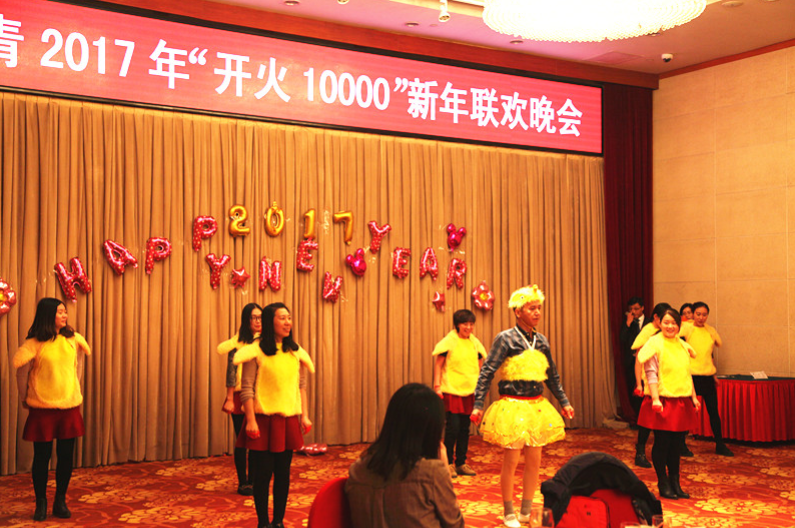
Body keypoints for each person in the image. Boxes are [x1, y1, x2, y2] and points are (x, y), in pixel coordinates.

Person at [471, 285, 574, 528]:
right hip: (512, 405)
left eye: (539, 308)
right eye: (531, 308)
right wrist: (478, 404)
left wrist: (564, 401)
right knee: (512, 460)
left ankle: (526, 510)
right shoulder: (505, 338)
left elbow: (552, 376)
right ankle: (509, 511)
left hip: (536, 406)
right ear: (518, 312)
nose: (537, 312)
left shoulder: (542, 340)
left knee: (535, 460)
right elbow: (487, 371)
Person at [234, 302, 314, 528]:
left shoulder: (294, 351)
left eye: (289, 318)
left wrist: (304, 416)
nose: (288, 322)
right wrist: (250, 420)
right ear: (271, 322)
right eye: (282, 318)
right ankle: (263, 523)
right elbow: (247, 388)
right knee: (262, 475)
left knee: (283, 474)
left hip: (287, 420)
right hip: (263, 421)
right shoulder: (256, 350)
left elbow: (301, 386)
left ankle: (278, 522)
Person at [13, 298, 91, 521]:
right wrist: (25, 399)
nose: (65, 315)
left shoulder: (73, 340)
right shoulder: (34, 343)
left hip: (68, 406)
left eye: (65, 311)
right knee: (42, 457)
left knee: (66, 456)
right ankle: (41, 503)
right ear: (48, 315)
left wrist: (73, 392)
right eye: (60, 312)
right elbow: (21, 375)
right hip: (43, 407)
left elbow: (77, 369)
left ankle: (60, 501)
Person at [346, 383, 465, 528]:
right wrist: (444, 468)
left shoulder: (358, 469)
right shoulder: (431, 472)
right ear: (431, 429)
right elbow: (455, 524)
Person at [637, 307, 700, 500]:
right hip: (662, 400)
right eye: (666, 322)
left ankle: (675, 482)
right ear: (659, 323)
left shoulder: (682, 345)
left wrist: (693, 397)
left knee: (677, 444)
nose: (670, 326)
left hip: (680, 400)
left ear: (679, 326)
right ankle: (663, 482)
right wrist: (656, 399)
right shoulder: (654, 344)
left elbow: (687, 374)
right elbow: (651, 374)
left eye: (674, 323)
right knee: (662, 443)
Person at [432, 308, 486, 479]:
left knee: (464, 429)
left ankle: (461, 463)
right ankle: (448, 463)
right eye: (465, 324)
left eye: (471, 324)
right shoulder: (449, 341)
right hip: (451, 390)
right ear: (457, 325)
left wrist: (480, 389)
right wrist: (437, 386)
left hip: (469, 391)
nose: (468, 327)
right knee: (452, 428)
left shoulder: (475, 343)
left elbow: (480, 365)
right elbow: (439, 364)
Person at [217, 302, 263, 496]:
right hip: (239, 395)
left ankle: (253, 480)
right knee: (242, 440)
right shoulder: (237, 342)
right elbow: (231, 371)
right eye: (254, 317)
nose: (258, 321)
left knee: (257, 441)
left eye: (260, 317)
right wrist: (229, 398)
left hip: (259, 396)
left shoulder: (265, 341)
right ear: (247, 320)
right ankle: (243, 482)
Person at [679, 302, 733, 457]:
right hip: (691, 376)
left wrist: (714, 375)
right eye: (698, 314)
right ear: (693, 314)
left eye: (704, 314)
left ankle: (720, 444)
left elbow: (709, 355)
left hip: (707, 375)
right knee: (686, 412)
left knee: (713, 412)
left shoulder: (710, 330)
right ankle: (681, 445)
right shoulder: (686, 328)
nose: (701, 317)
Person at [630, 302, 671, 468]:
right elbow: (639, 360)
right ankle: (640, 451)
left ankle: (663, 452)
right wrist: (638, 383)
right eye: (665, 320)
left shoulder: (666, 333)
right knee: (647, 421)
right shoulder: (647, 332)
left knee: (663, 419)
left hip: (665, 381)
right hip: (648, 381)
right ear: (656, 317)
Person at [619, 297, 645, 422]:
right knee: (633, 392)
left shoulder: (649, 323)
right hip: (631, 363)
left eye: (636, 308)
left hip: (646, 363)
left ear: (642, 308)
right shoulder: (628, 323)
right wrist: (628, 324)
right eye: (631, 309)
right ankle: (637, 419)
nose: (633, 312)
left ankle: (646, 420)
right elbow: (622, 339)